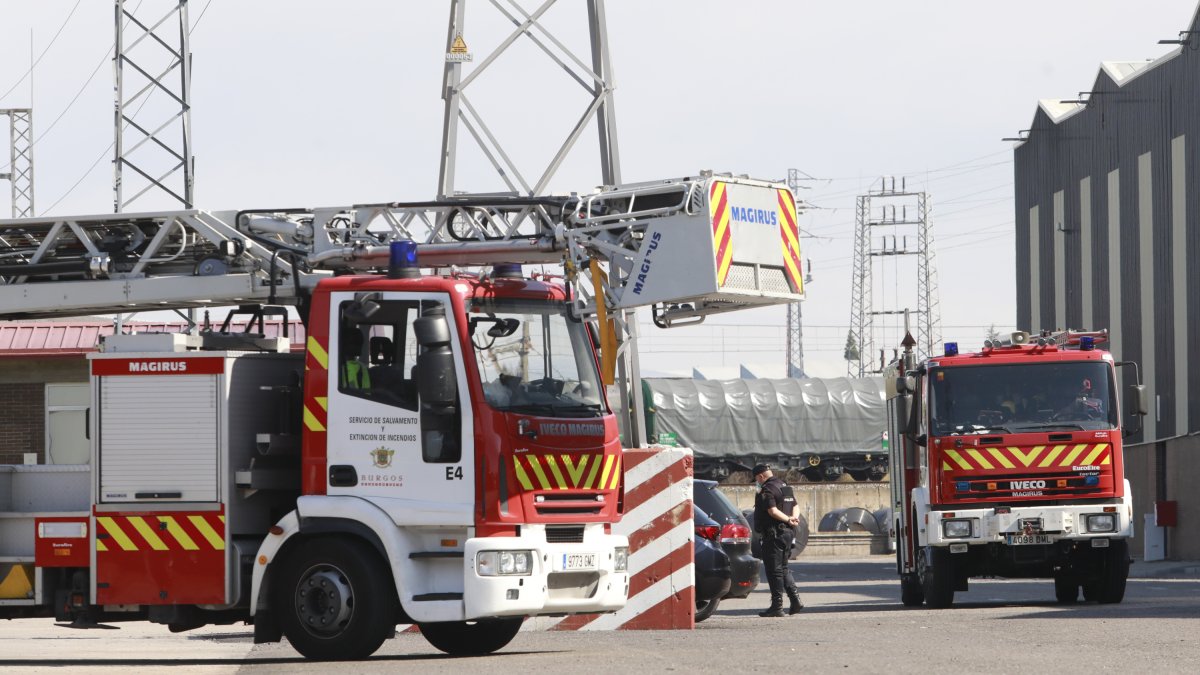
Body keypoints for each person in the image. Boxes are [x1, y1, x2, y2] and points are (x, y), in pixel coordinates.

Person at [752, 464, 803, 617]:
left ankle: (777, 606)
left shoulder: (767, 489)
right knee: (784, 568)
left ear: (760, 476)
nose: (756, 482)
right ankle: (795, 600)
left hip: (773, 535)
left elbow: (772, 511)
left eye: (756, 479)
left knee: (774, 571)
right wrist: (793, 519)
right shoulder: (784, 486)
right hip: (787, 533)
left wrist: (788, 519)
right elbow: (796, 505)